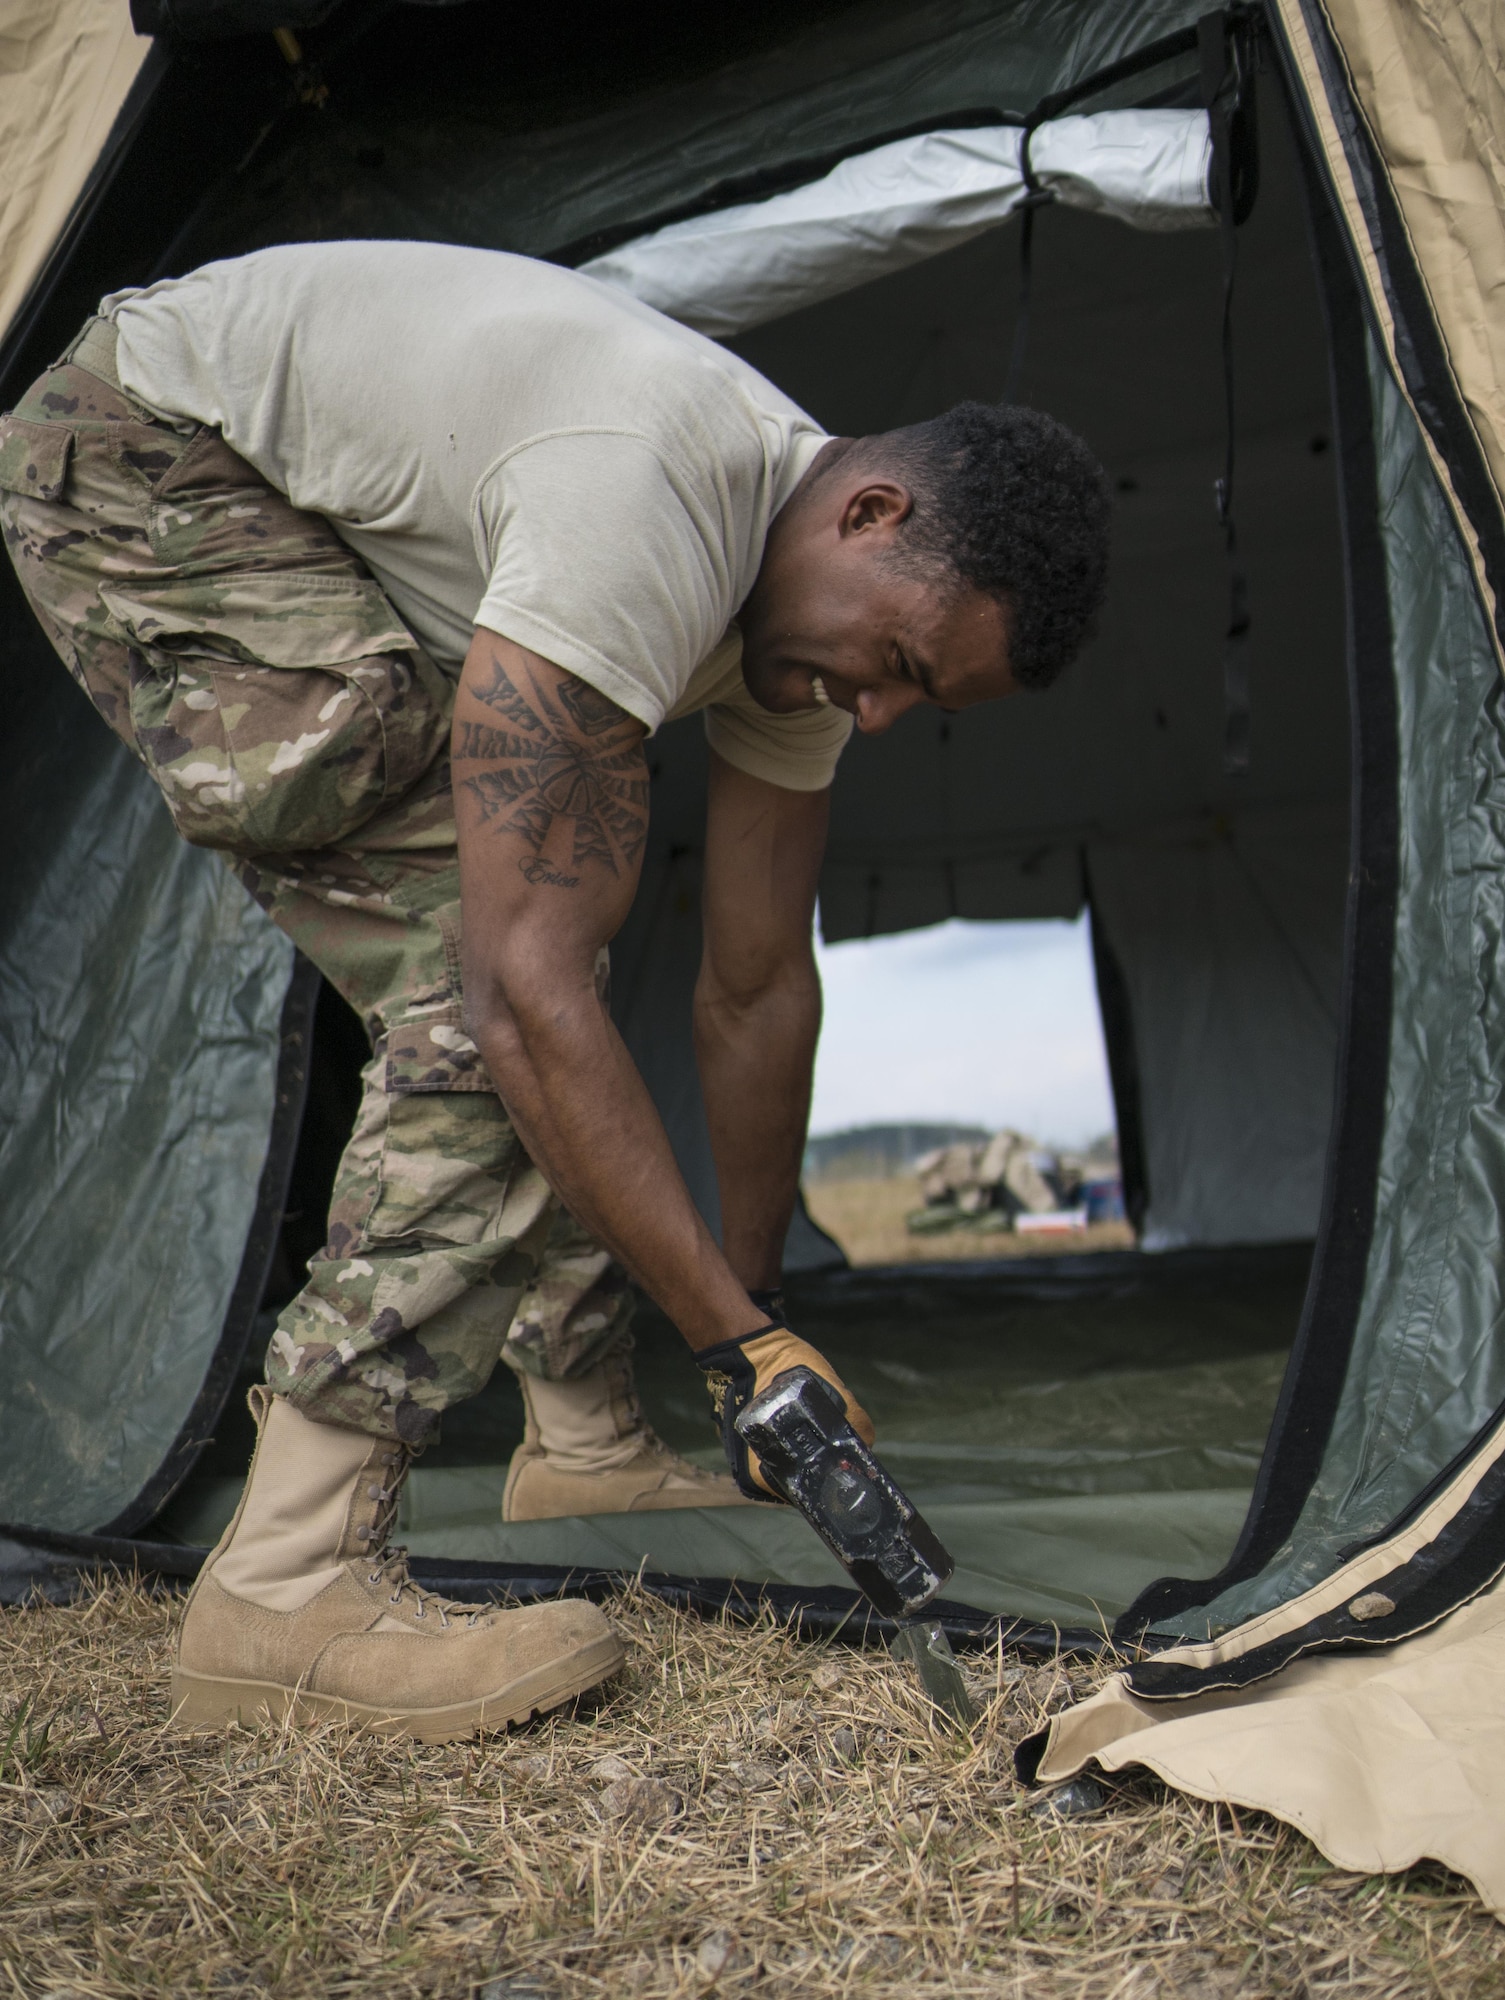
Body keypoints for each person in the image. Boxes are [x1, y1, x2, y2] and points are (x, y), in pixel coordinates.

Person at [0, 240, 1110, 1740]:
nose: (881, 711)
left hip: (288, 492)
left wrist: (761, 1324)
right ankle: (285, 1589)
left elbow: (757, 987)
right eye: (897, 660)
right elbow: (523, 1003)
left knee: (551, 973)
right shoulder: (645, 497)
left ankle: (583, 1431)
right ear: (868, 513)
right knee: (493, 1005)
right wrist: (724, 1334)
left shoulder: (800, 629)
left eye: (921, 699)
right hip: (144, 448)